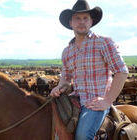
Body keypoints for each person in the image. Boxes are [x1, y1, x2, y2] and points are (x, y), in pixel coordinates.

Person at [50, 0, 129, 139]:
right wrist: (58, 88)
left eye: (85, 18)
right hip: (74, 100)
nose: (82, 22)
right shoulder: (67, 51)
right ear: (71, 23)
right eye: (77, 18)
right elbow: (66, 79)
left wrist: (107, 100)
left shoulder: (104, 43)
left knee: (82, 136)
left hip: (95, 103)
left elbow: (121, 72)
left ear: (91, 21)